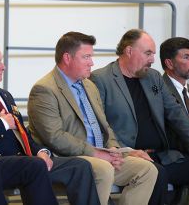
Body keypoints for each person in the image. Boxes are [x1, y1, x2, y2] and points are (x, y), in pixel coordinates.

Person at [27, 31, 158, 205]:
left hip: (100, 154)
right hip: (68, 158)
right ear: (67, 58)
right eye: (86, 57)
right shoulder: (44, 89)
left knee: (147, 169)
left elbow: (104, 126)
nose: (92, 63)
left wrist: (114, 149)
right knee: (103, 169)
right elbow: (55, 137)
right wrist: (96, 153)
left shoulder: (89, 85)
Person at [0, 40, 101, 205]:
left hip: (27, 159)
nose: (3, 66)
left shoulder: (4, 95)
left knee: (80, 166)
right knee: (34, 166)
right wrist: (2, 124)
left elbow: (24, 134)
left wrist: (42, 151)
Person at [91, 29, 189, 205]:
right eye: (148, 53)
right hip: (130, 156)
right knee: (157, 175)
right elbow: (99, 125)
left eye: (153, 54)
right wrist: (125, 151)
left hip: (162, 155)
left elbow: (176, 115)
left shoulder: (153, 77)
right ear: (129, 51)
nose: (153, 60)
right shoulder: (101, 79)